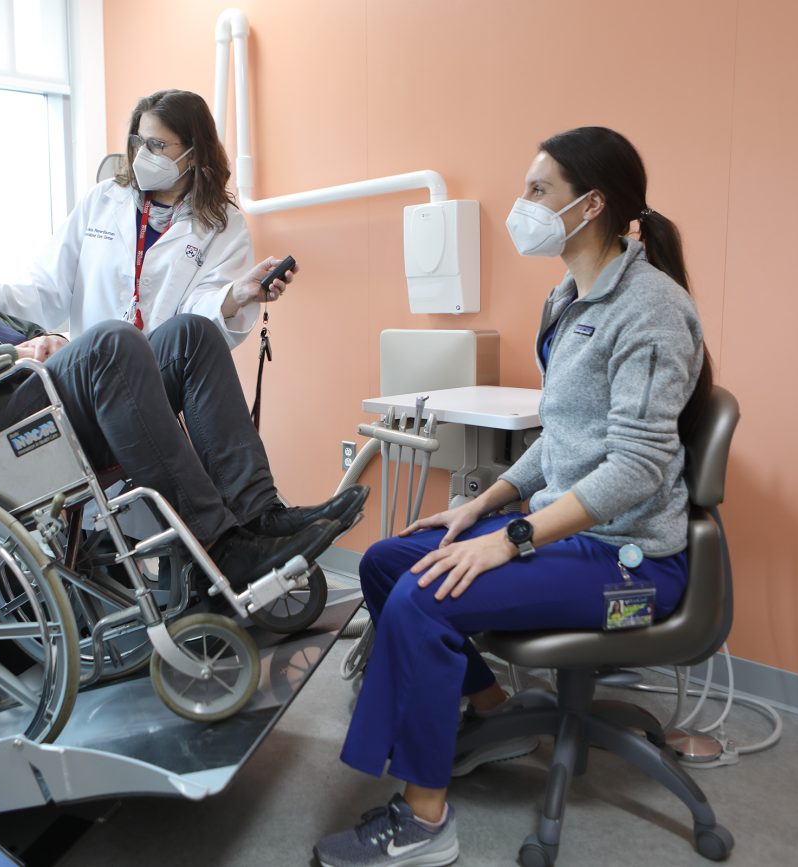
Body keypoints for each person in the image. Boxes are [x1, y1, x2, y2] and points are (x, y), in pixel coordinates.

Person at [313, 127, 712, 867]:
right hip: (568, 533)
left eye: (538, 191)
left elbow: (636, 468)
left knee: (425, 594)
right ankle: (498, 718)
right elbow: (560, 441)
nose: (521, 205)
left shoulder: (651, 309)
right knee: (385, 563)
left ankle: (425, 822)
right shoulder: (566, 298)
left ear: (589, 206)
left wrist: (512, 537)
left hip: (631, 560)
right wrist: (485, 502)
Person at [0, 154, 367, 590]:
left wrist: (35, 346)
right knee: (109, 342)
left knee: (190, 336)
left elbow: (29, 330)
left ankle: (259, 515)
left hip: (30, 413)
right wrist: (9, 356)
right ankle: (220, 549)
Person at [0, 89, 292, 347]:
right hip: (91, 368)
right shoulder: (102, 201)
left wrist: (237, 293)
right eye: (139, 142)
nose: (143, 155)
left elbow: (196, 326)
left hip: (159, 378)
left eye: (157, 145)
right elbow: (46, 286)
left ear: (195, 152)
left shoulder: (222, 225)